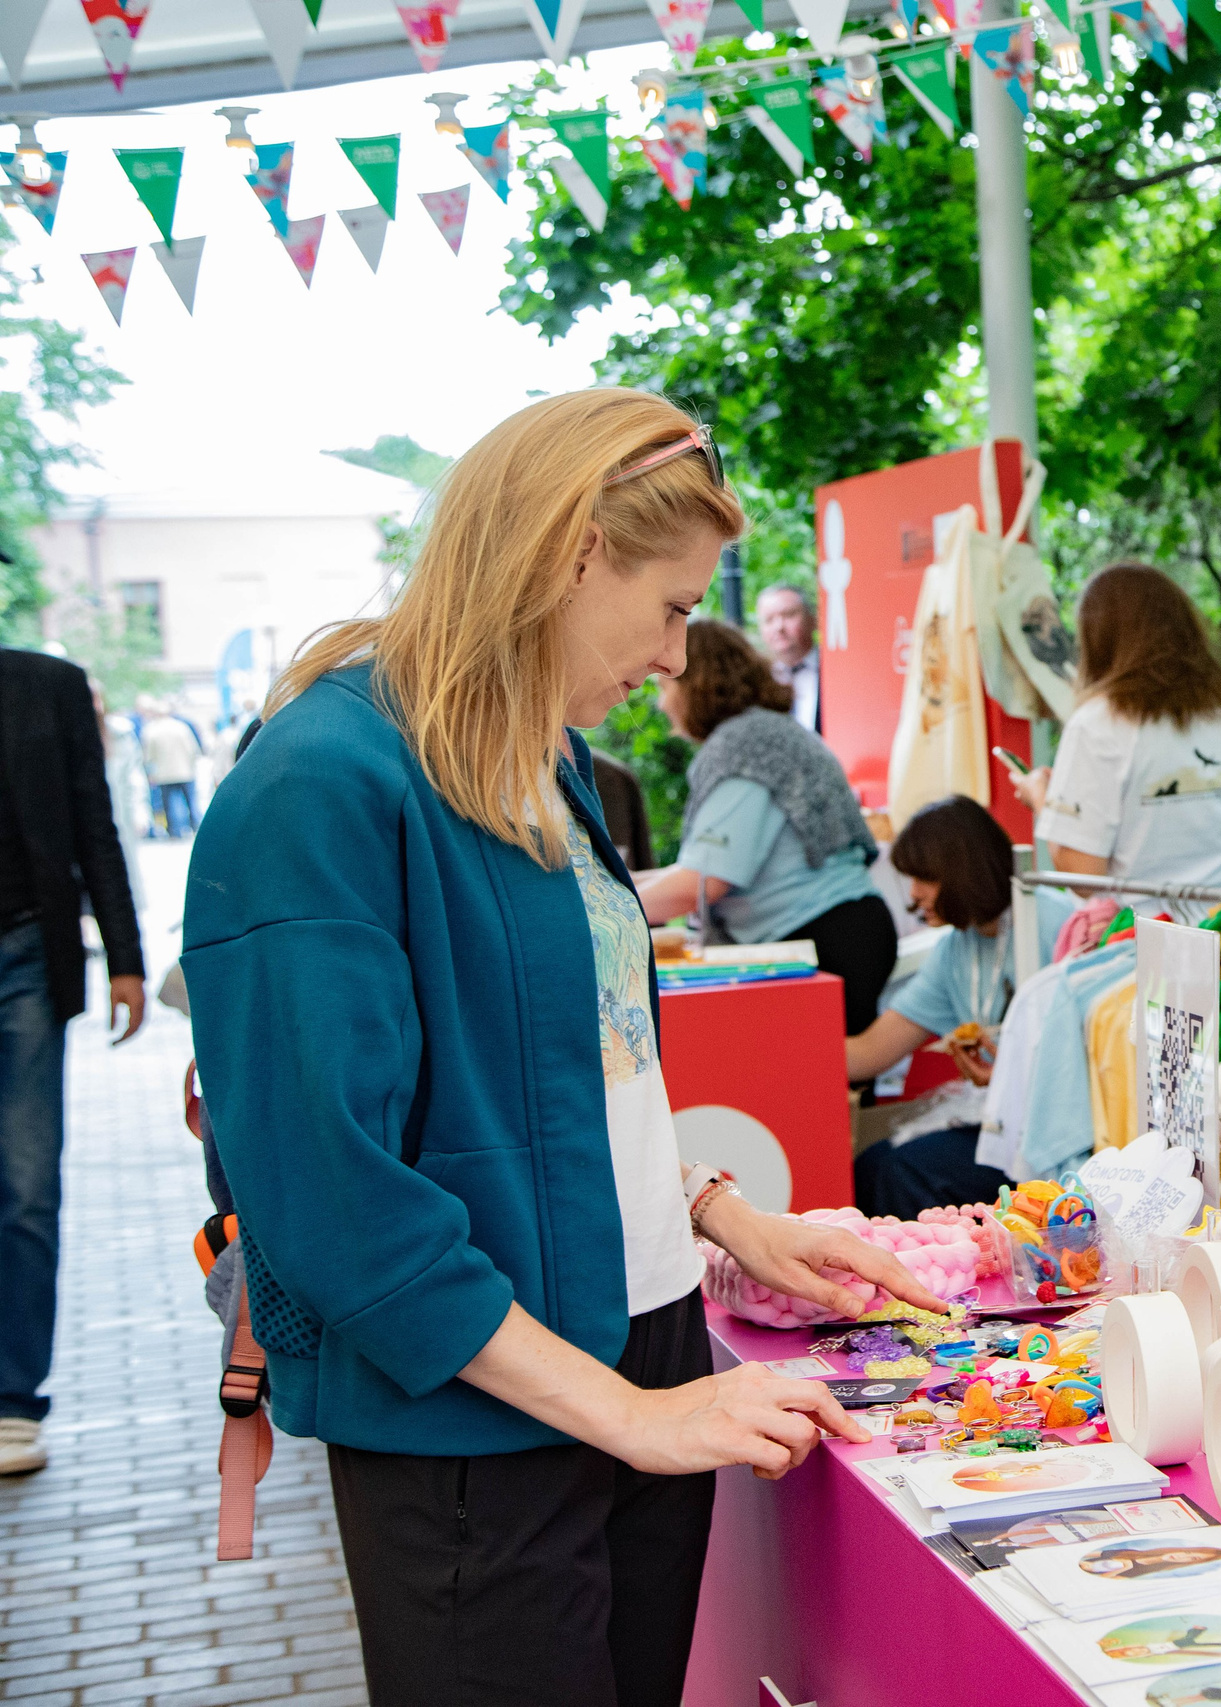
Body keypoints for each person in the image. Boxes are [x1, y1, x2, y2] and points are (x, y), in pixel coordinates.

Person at [183, 389, 941, 1707]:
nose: (673, 655)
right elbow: (331, 1194)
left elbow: (578, 1071)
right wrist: (630, 1413)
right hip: (483, 1408)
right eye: (667, 606)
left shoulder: (550, 758)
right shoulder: (321, 781)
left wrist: (721, 1216)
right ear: (568, 549)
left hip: (639, 1346)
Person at [0, 649, 145, 1477]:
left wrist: (123, 955)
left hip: (25, 951)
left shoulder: (44, 685)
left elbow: (96, 822)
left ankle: (13, 1399)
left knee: (26, 1185)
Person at [635, 620, 895, 1057]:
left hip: (822, 940)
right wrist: (616, 880)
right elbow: (705, 868)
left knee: (809, 1105)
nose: (662, 705)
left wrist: (599, 902)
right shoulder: (770, 734)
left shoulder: (746, 746)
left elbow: (703, 881)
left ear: (695, 683)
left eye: (664, 688)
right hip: (847, 930)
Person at [844, 795, 1072, 1218]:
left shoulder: (1053, 921)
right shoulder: (955, 948)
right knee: (869, 1166)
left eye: (923, 878)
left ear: (960, 871)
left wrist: (1010, 1070)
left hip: (1053, 1132)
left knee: (902, 1171)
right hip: (998, 1122)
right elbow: (871, 1053)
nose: (914, 895)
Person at [1010, 562, 1221, 919]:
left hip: (1145, 948)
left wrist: (1042, 799)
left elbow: (1083, 875)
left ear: (1098, 638)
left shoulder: (1098, 723)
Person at [757, 582, 821, 732]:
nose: (779, 627)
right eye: (769, 620)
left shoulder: (836, 669)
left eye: (789, 615)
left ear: (813, 619)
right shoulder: (756, 680)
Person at [140, 696, 203, 837]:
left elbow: (148, 756)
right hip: (185, 771)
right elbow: (193, 749)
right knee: (190, 801)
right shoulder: (181, 727)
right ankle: (195, 827)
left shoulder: (151, 730)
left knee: (168, 804)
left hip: (164, 774)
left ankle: (174, 831)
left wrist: (150, 773)